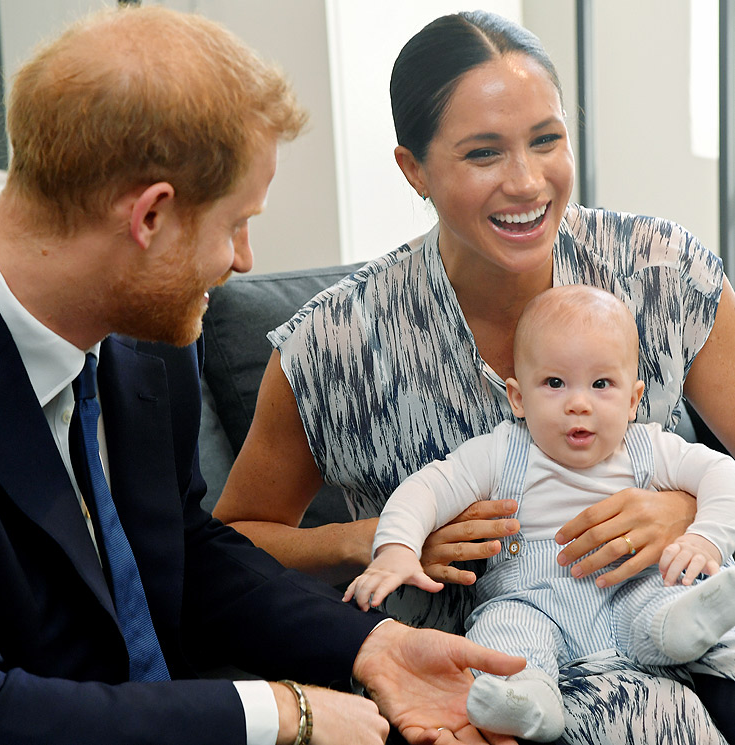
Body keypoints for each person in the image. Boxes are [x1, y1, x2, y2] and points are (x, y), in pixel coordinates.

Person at [0, 7, 532, 745]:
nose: (243, 260)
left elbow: (187, 547)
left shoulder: (150, 345)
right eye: (236, 223)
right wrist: (281, 712)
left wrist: (368, 645)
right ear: (150, 216)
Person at [213, 9, 735, 743]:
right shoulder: (335, 342)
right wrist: (373, 539)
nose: (526, 182)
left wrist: (688, 511)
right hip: (461, 695)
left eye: (546, 140)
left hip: (677, 660)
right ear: (413, 169)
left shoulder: (660, 270)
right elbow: (231, 540)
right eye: (483, 153)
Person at [345, 285, 735, 742]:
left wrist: (705, 537)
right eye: (554, 383)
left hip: (631, 586)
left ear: (633, 400)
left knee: (668, 593)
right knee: (504, 633)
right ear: (517, 398)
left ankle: (685, 627)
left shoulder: (650, 447)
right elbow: (427, 488)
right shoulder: (500, 451)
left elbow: (722, 472)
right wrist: (396, 549)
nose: (579, 403)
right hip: (533, 600)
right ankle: (530, 699)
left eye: (601, 384)